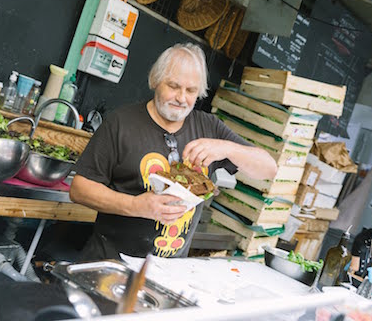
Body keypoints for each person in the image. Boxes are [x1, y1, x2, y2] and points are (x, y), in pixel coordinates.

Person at [70, 43, 277, 260]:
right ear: (155, 81)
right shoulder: (121, 123)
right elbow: (79, 189)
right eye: (174, 86)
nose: (181, 98)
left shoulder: (209, 127)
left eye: (190, 91)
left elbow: (269, 169)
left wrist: (226, 148)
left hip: (166, 274)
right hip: (109, 263)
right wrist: (134, 205)